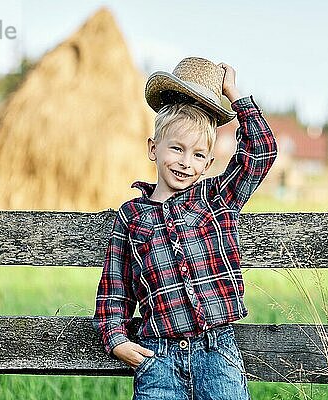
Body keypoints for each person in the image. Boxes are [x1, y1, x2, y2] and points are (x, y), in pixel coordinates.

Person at [93, 57, 277, 400]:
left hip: (217, 353)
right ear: (154, 148)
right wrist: (116, 338)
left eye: (197, 155)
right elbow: (114, 288)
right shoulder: (131, 216)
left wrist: (234, 95)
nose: (185, 162)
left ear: (208, 162)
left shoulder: (216, 197)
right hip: (157, 358)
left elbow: (262, 152)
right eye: (176, 148)